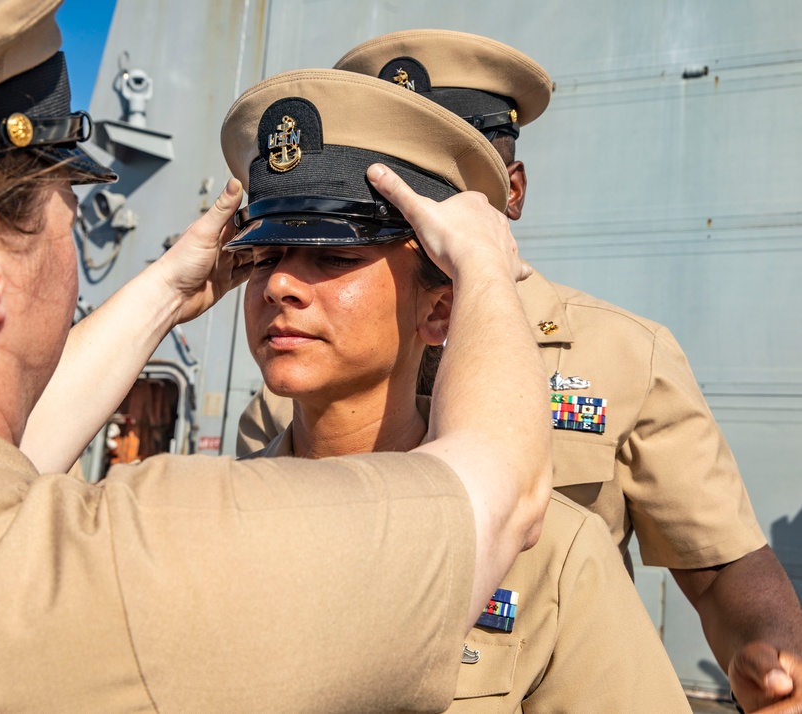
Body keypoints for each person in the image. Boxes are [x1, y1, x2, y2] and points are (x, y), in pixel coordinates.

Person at [0, 4, 552, 712]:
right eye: (69, 198)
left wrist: (165, 288)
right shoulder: (122, 571)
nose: (283, 283)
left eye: (332, 256)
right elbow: (497, 490)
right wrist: (481, 267)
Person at [236, 29, 802, 713]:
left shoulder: (621, 355)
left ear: (509, 190)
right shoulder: (297, 387)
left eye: (449, 179)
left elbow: (715, 564)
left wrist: (770, 645)